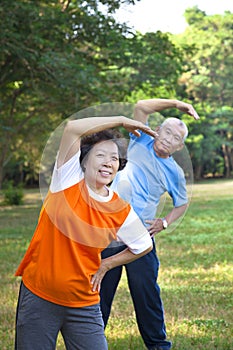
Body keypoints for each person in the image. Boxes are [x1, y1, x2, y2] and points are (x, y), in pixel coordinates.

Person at [14, 115, 155, 350]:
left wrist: (107, 264)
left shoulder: (120, 209)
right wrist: (120, 120)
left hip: (84, 303)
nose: (108, 162)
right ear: (84, 161)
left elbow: (143, 245)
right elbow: (72, 128)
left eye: (114, 158)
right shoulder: (66, 181)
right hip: (40, 295)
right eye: (100, 155)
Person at [100, 98, 200, 350]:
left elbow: (182, 203)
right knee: (99, 290)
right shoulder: (140, 140)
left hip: (140, 236)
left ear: (180, 147)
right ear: (158, 130)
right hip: (109, 229)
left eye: (176, 138)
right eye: (166, 131)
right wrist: (178, 104)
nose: (168, 138)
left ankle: (158, 345)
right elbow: (142, 106)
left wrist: (165, 222)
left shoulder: (175, 172)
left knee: (147, 295)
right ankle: (90, 341)